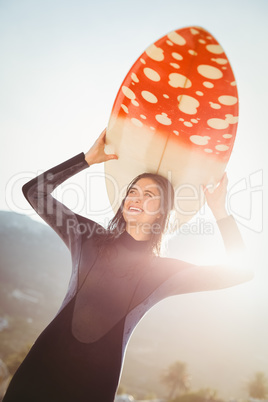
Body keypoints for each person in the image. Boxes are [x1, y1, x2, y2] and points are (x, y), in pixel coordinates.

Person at [3, 129, 253, 402]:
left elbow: (240, 272)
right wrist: (86, 160)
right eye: (132, 191)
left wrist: (220, 212)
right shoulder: (87, 236)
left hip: (93, 386)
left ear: (162, 211)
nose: (136, 197)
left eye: (149, 195)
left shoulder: (162, 273)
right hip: (40, 369)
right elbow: (34, 192)